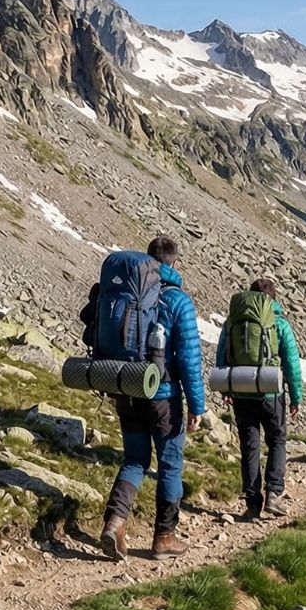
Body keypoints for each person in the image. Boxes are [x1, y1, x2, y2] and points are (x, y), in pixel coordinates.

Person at [98, 235, 206, 561]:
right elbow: (189, 358)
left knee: (134, 460)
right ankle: (164, 538)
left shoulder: (128, 290)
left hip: (127, 387)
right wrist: (197, 405)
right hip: (163, 396)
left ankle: (115, 523)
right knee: (170, 465)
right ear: (175, 263)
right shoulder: (178, 301)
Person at [215, 277, 304, 521]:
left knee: (249, 445)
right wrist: (296, 398)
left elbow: (221, 355)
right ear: (273, 300)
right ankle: (274, 493)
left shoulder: (232, 321)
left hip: (241, 391)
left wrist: (227, 389)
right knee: (276, 440)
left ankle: (252, 503)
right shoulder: (280, 325)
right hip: (271, 392)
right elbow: (292, 365)